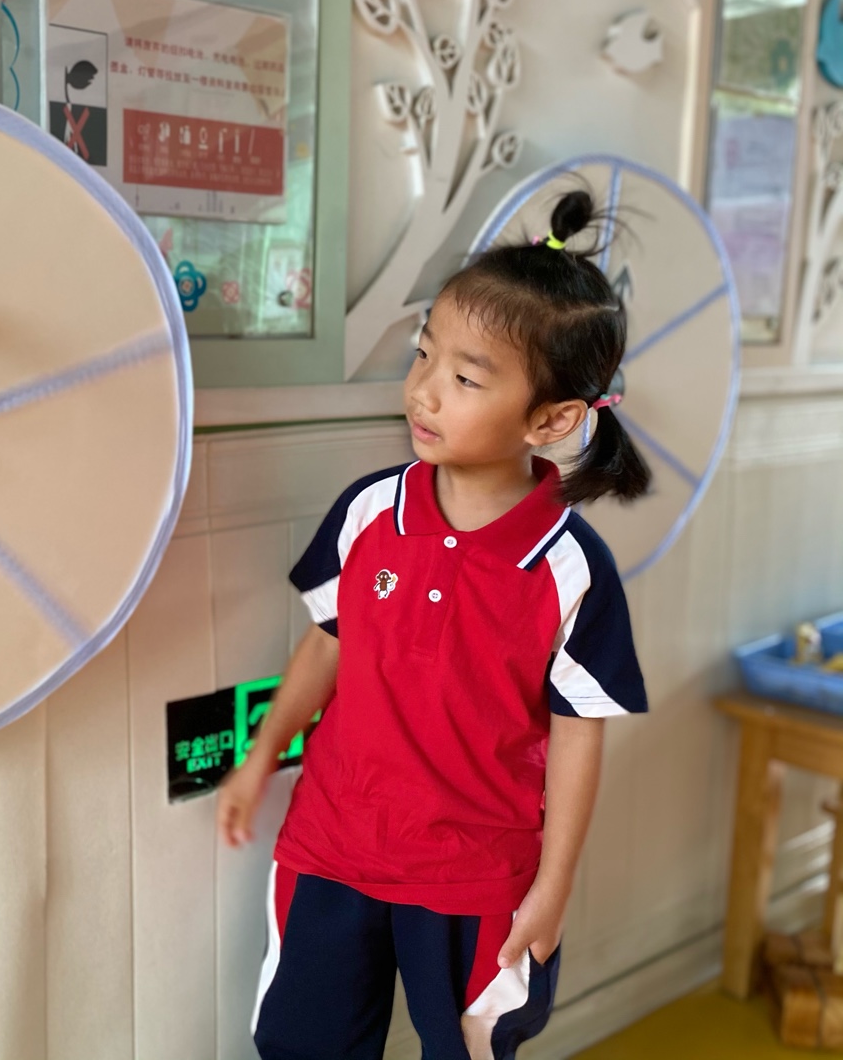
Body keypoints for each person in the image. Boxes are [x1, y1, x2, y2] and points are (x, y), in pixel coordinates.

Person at [217, 190, 650, 1060]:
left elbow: (578, 735)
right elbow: (328, 645)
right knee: (303, 1045)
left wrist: (553, 885)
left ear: (552, 419)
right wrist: (261, 755)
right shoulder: (368, 512)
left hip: (476, 879)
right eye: (424, 355)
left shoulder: (572, 568)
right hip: (332, 848)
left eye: (465, 379)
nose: (423, 390)